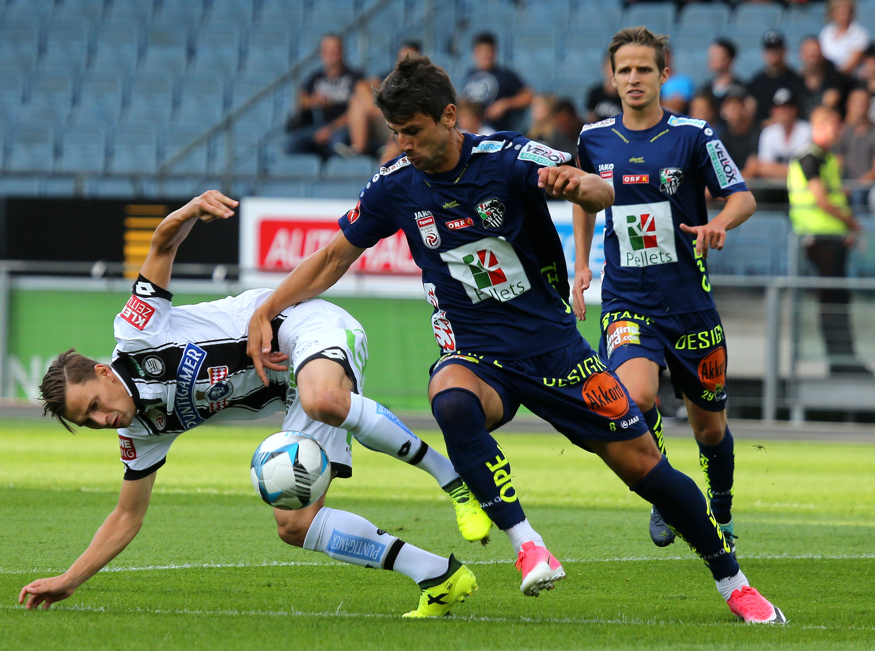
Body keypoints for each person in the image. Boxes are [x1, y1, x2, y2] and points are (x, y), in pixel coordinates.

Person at [246, 52, 786, 624]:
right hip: (476, 353)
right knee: (450, 399)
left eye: (414, 131)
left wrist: (575, 185)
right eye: (396, 132)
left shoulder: (509, 157)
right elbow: (334, 257)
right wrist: (269, 308)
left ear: (449, 116)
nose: (403, 143)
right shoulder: (395, 187)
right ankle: (528, 543)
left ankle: (734, 582)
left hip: (555, 348)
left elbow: (599, 193)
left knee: (647, 469)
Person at [17, 191, 491, 617]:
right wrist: (68, 580)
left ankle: (454, 481)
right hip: (293, 391)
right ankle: (438, 576)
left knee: (323, 396)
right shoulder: (141, 431)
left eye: (96, 404)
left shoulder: (137, 333)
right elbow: (127, 516)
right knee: (295, 525)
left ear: (103, 372)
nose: (104, 419)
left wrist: (188, 212)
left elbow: (161, 246)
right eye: (90, 421)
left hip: (304, 322)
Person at [575, 24, 758, 573]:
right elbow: (584, 200)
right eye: (624, 70)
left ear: (663, 75)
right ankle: (667, 492)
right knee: (637, 397)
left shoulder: (694, 135)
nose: (633, 78)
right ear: (613, 77)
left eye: (643, 69)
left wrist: (718, 224)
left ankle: (719, 511)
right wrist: (581, 264)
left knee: (710, 430)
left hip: (689, 305)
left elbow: (742, 197)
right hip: (627, 301)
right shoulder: (593, 139)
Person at [789, 107, 870, 376]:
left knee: (839, 299)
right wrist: (852, 223)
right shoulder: (809, 157)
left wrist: (844, 229)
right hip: (819, 238)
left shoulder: (827, 159)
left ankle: (844, 358)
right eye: (835, 126)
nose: (838, 132)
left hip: (832, 238)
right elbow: (821, 200)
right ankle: (839, 360)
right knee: (832, 301)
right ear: (820, 126)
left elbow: (834, 197)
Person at [287, 34, 363, 160]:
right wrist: (315, 101)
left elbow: (359, 111)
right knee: (292, 144)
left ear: (342, 52)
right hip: (319, 125)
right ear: (322, 53)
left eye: (335, 50)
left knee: (338, 144)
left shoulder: (355, 77)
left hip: (344, 126)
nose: (331, 54)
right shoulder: (316, 76)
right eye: (327, 50)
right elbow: (301, 99)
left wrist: (331, 128)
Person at [341, 41, 422, 160]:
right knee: (357, 101)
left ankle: (390, 149)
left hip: (405, 128)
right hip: (385, 122)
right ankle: (358, 150)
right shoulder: (390, 77)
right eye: (401, 59)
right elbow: (361, 85)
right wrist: (373, 105)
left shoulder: (424, 82)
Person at [461, 32, 532, 132]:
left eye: (488, 51)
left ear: (495, 53)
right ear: (474, 54)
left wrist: (505, 103)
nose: (485, 55)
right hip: (470, 129)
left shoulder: (505, 75)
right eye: (481, 51)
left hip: (494, 130)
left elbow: (528, 96)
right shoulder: (470, 74)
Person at [747, 31, 808, 126]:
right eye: (770, 50)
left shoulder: (796, 80)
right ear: (764, 53)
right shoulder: (756, 82)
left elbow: (800, 111)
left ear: (784, 51)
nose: (773, 54)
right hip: (761, 132)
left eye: (777, 49)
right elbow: (750, 114)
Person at [757, 88, 813, 179]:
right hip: (773, 187)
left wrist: (775, 170)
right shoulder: (768, 133)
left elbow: (807, 168)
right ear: (773, 111)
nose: (784, 111)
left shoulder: (807, 130)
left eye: (788, 107)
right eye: (779, 108)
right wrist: (794, 171)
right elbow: (763, 168)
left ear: (796, 109)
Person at [836, 87, 875, 208]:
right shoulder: (840, 132)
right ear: (848, 105)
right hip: (844, 184)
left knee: (858, 196)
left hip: (866, 187)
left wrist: (853, 186)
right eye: (856, 101)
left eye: (863, 102)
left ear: (869, 105)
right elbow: (837, 163)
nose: (860, 105)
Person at [800, 36, 854, 117]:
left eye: (816, 51)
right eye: (809, 51)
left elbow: (830, 102)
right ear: (802, 54)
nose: (813, 55)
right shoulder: (797, 79)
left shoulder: (834, 76)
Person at [719, 85, 762, 179]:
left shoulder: (757, 133)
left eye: (738, 105)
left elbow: (752, 169)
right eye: (729, 105)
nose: (733, 109)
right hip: (730, 184)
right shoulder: (723, 136)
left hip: (753, 188)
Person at [819, 0, 870, 75]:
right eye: (839, 11)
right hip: (827, 75)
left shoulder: (859, 33)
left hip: (848, 78)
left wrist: (833, 76)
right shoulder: (826, 32)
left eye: (845, 11)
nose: (843, 15)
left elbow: (852, 63)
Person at [699, 39, 743, 116]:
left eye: (715, 56)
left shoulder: (741, 90)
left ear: (728, 60)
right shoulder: (705, 90)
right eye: (710, 56)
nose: (710, 59)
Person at [585, 55, 622, 123]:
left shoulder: (625, 96)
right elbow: (590, 119)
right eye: (611, 67)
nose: (614, 72)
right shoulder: (595, 93)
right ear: (604, 67)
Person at [659, 46, 694, 115]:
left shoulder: (684, 81)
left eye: (665, 56)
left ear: (670, 57)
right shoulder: (651, 81)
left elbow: (677, 106)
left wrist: (658, 102)